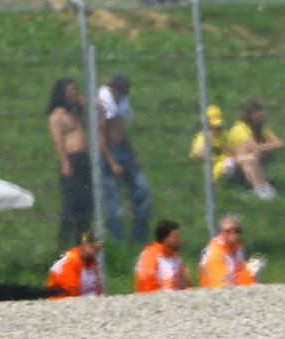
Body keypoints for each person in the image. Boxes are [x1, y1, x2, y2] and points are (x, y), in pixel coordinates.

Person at [97, 71, 153, 242]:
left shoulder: (122, 100)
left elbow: (121, 130)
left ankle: (139, 238)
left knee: (144, 194)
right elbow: (100, 134)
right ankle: (116, 241)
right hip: (108, 154)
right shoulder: (102, 102)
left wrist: (132, 153)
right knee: (114, 200)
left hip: (124, 151)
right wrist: (112, 161)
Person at [47, 77, 94, 247]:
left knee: (87, 202)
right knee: (71, 204)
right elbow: (58, 141)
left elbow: (95, 118)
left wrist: (83, 103)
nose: (74, 93)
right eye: (70, 91)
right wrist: (65, 162)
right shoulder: (57, 116)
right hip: (71, 160)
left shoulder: (75, 114)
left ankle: (82, 239)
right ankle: (63, 240)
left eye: (75, 90)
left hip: (85, 160)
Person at [225, 101, 284, 200]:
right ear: (248, 115)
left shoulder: (260, 128)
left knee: (254, 156)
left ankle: (266, 189)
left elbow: (280, 143)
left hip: (246, 161)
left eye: (260, 110)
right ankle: (260, 189)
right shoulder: (240, 128)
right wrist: (268, 146)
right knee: (249, 157)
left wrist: (263, 147)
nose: (260, 114)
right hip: (230, 165)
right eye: (255, 112)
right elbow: (254, 147)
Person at [200, 214, 259, 287]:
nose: (233, 234)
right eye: (228, 231)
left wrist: (252, 276)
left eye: (237, 231)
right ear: (221, 232)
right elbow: (219, 281)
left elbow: (242, 275)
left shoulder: (238, 248)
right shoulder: (215, 251)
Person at [135, 220, 191, 292]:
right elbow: (145, 279)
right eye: (175, 237)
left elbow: (184, 283)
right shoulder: (151, 255)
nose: (179, 240)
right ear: (165, 239)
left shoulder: (175, 257)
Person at [45, 231, 104, 298]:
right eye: (93, 246)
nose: (96, 250)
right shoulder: (71, 261)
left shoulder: (91, 262)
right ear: (84, 245)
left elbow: (98, 290)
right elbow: (70, 294)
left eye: (98, 247)